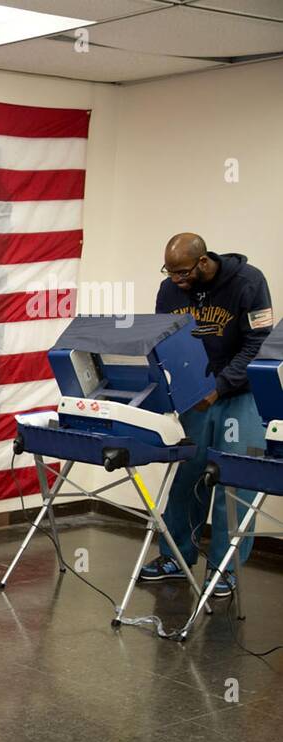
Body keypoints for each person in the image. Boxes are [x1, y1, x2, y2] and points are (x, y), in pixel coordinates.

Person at [140, 233, 273, 597]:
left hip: (240, 394)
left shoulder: (249, 282)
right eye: (170, 271)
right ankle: (176, 559)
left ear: (202, 262)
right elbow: (161, 340)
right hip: (193, 397)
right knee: (190, 475)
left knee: (236, 480)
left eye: (182, 272)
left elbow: (258, 344)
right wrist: (173, 388)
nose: (176, 280)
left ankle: (224, 570)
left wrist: (221, 385)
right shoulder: (170, 289)